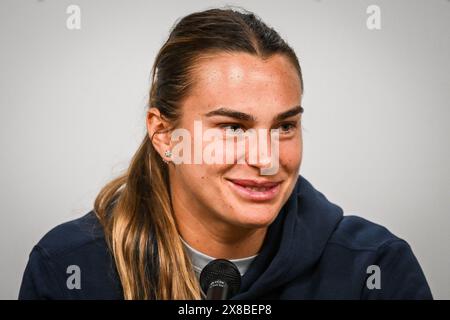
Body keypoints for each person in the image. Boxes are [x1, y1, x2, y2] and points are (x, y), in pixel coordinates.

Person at [18, 7, 432, 300]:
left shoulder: (373, 267)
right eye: (233, 128)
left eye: (285, 126)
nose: (266, 159)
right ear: (163, 134)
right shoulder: (68, 267)